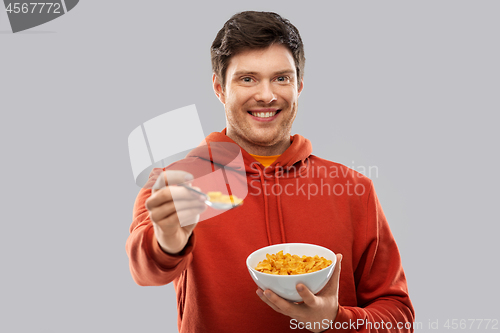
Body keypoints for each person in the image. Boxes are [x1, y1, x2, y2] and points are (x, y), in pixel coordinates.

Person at [126, 11, 415, 333]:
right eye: (247, 79)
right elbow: (146, 272)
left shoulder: (352, 188)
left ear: (299, 85)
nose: (266, 95)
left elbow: (398, 318)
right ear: (219, 88)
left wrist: (335, 322)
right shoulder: (176, 184)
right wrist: (168, 244)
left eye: (281, 78)